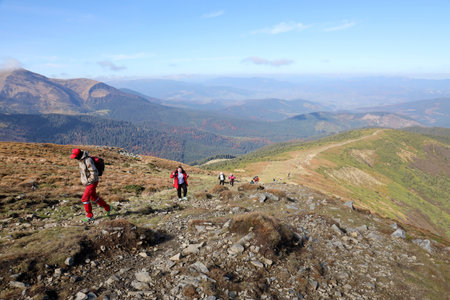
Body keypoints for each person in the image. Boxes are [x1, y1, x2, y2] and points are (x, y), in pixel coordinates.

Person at [71, 148, 110, 222]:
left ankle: (90, 216)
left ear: (79, 155)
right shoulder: (81, 160)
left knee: (84, 199)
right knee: (94, 197)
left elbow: (94, 172)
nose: (75, 158)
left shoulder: (87, 160)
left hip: (92, 182)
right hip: (89, 182)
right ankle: (108, 208)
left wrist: (89, 181)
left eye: (75, 156)